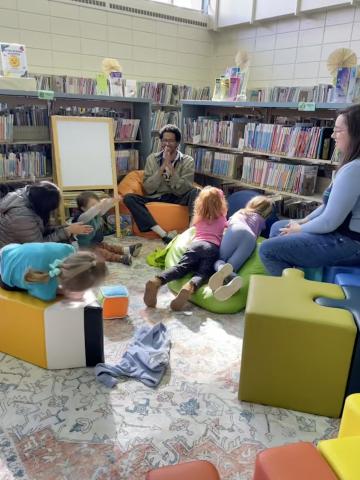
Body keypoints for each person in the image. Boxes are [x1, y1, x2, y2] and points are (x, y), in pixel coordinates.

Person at [259, 104, 360, 276]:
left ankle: (293, 296)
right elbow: (328, 206)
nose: (333, 136)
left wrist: (299, 229)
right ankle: (296, 275)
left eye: (338, 131)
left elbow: (329, 222)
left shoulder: (354, 170)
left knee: (268, 250)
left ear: (356, 134)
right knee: (278, 227)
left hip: (348, 243)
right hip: (339, 235)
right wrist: (303, 221)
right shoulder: (350, 166)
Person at [144, 186, 228, 311]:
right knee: (202, 274)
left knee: (181, 267)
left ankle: (157, 280)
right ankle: (189, 287)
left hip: (195, 246)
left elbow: (192, 229)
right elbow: (227, 231)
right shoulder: (222, 219)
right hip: (211, 248)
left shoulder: (198, 218)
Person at [123, 124, 200, 244]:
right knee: (129, 198)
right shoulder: (152, 159)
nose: (167, 144)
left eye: (171, 141)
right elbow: (148, 189)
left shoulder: (187, 160)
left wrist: (170, 166)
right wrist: (163, 166)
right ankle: (162, 234)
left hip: (178, 197)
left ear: (178, 143)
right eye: (164, 140)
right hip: (156, 197)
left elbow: (183, 189)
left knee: (196, 192)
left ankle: (191, 231)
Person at [208, 195, 273, 301]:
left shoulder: (241, 212)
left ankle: (223, 271)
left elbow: (225, 226)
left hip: (236, 228)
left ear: (252, 203)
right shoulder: (262, 222)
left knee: (220, 260)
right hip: (250, 238)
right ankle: (234, 278)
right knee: (231, 267)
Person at [0, 242, 108, 302]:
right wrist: (62, 292)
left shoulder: (68, 249)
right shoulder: (46, 292)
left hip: (10, 248)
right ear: (70, 290)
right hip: (5, 274)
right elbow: (46, 289)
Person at [0, 181, 93, 248]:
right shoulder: (20, 216)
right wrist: (67, 231)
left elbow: (41, 230)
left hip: (23, 244)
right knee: (65, 248)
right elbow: (38, 246)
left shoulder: (26, 194)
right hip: (12, 256)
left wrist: (67, 228)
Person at [74, 191, 142, 265]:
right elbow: (89, 213)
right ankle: (120, 258)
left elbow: (103, 209)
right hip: (86, 248)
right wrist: (98, 206)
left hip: (95, 243)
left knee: (107, 246)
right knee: (102, 252)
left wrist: (113, 201)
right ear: (83, 208)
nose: (97, 207)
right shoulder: (82, 218)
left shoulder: (96, 214)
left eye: (97, 203)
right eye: (93, 205)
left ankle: (127, 250)